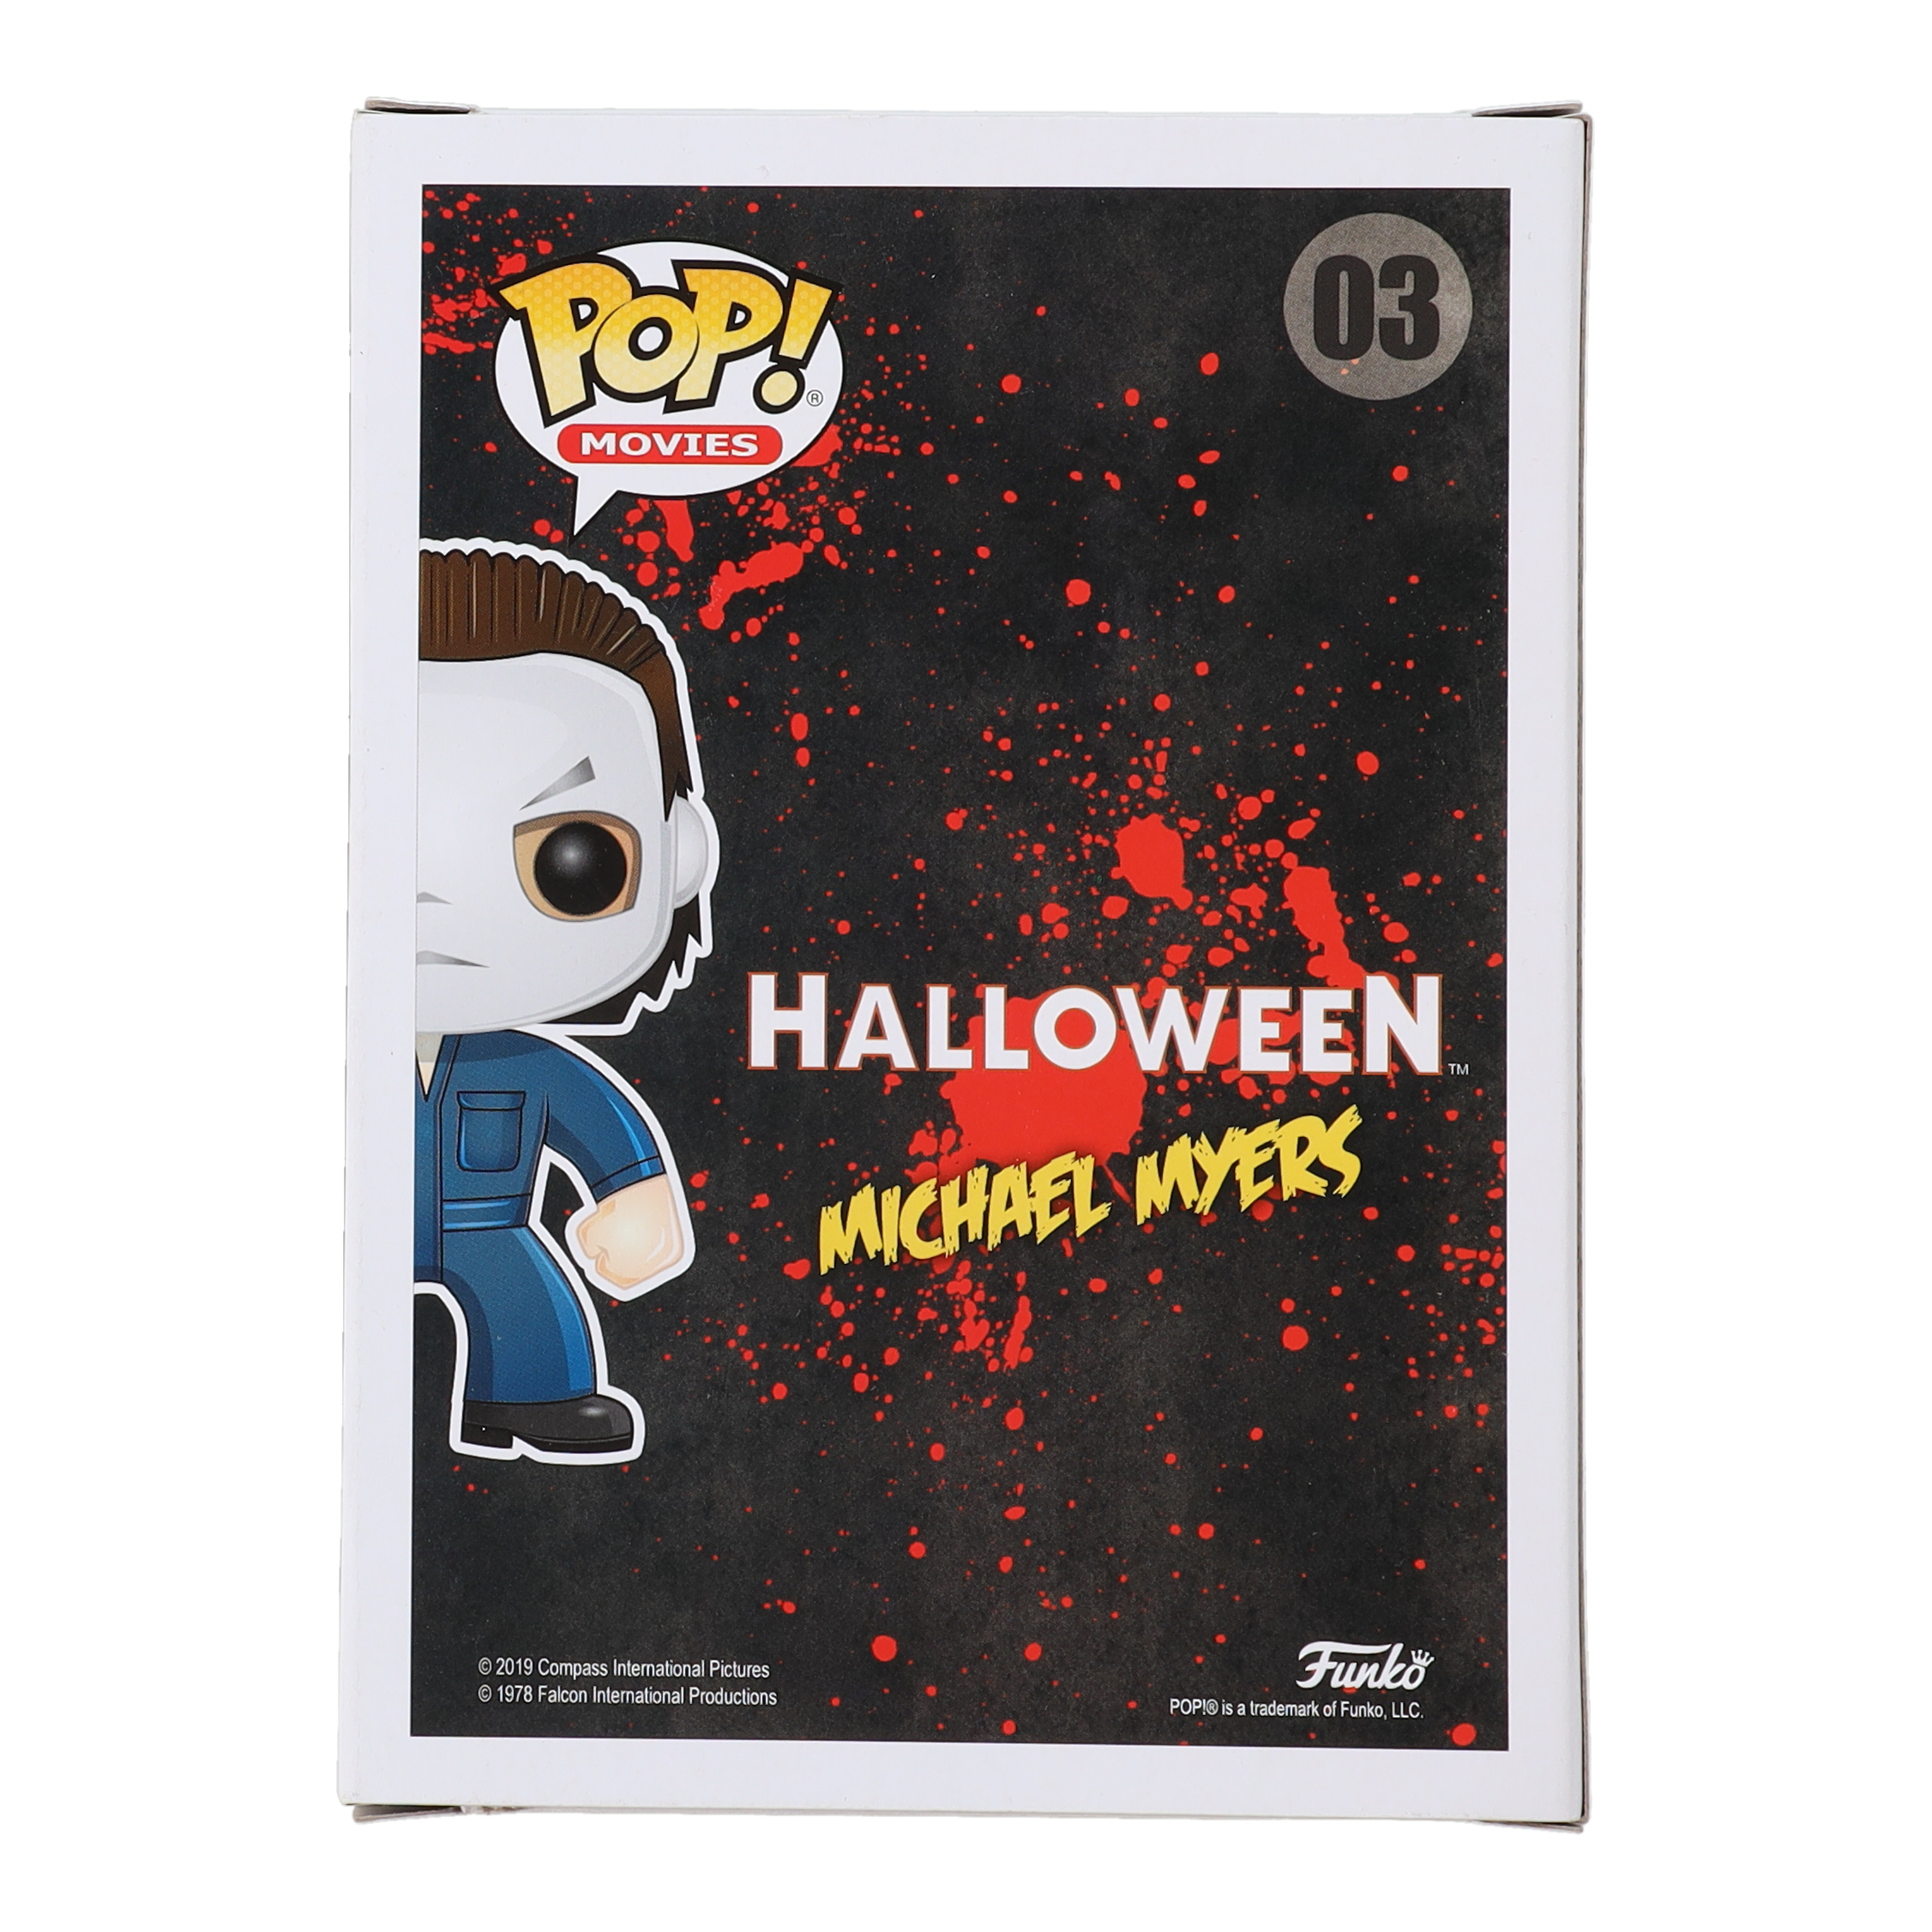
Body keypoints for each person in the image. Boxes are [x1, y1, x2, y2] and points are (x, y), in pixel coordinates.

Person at [414, 542, 717, 1460]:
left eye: (569, 860)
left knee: (529, 1302)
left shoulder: (521, 1062)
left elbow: (596, 1120)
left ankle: (532, 1395)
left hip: (488, 1227)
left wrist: (634, 1195)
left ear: (679, 852)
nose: (430, 900)